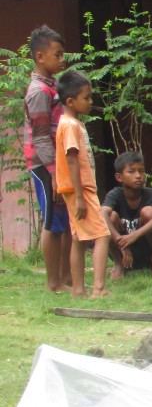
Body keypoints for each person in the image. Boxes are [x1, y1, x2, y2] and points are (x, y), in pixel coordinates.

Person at [53, 70, 111, 298]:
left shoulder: (71, 123)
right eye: (86, 97)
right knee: (102, 235)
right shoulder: (70, 126)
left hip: (76, 189)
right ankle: (99, 288)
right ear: (70, 101)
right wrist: (79, 195)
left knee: (78, 239)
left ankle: (78, 289)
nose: (90, 101)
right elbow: (72, 159)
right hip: (82, 189)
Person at [24, 25, 71, 292]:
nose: (61, 59)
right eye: (57, 54)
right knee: (52, 221)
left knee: (63, 220)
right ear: (40, 57)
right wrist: (54, 172)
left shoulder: (52, 87)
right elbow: (41, 137)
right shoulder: (38, 92)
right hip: (45, 165)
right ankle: (53, 282)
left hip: (57, 163)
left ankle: (66, 277)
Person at [101, 151, 152, 279]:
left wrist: (134, 235)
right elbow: (102, 214)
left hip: (146, 248)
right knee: (111, 216)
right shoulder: (115, 194)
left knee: (148, 212)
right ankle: (118, 264)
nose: (138, 176)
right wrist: (120, 241)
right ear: (119, 177)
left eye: (142, 171)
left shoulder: (150, 193)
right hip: (122, 251)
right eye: (131, 171)